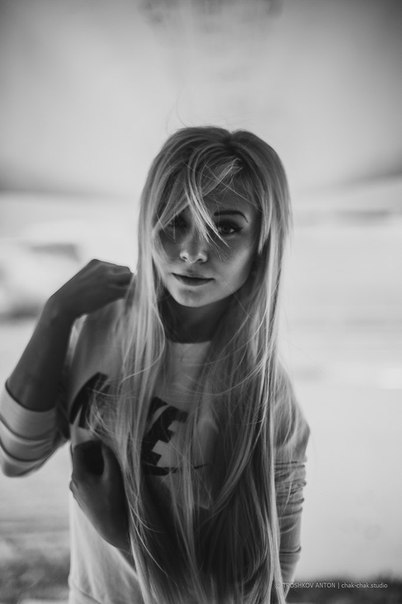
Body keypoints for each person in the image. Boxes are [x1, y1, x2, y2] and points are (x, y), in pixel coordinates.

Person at [0, 126, 310, 604]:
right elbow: (16, 458)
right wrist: (56, 315)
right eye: (174, 221)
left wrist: (125, 536)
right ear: (148, 222)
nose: (192, 251)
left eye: (227, 227)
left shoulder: (269, 402)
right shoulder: (98, 325)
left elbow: (265, 592)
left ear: (263, 244)